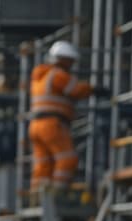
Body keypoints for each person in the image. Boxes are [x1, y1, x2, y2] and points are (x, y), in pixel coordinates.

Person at [30, 40, 93, 193]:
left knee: (43, 164)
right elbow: (76, 90)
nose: (71, 65)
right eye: (69, 61)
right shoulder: (57, 74)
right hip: (51, 124)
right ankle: (57, 195)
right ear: (61, 59)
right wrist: (94, 89)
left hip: (35, 125)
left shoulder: (40, 76)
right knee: (67, 159)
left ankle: (37, 197)